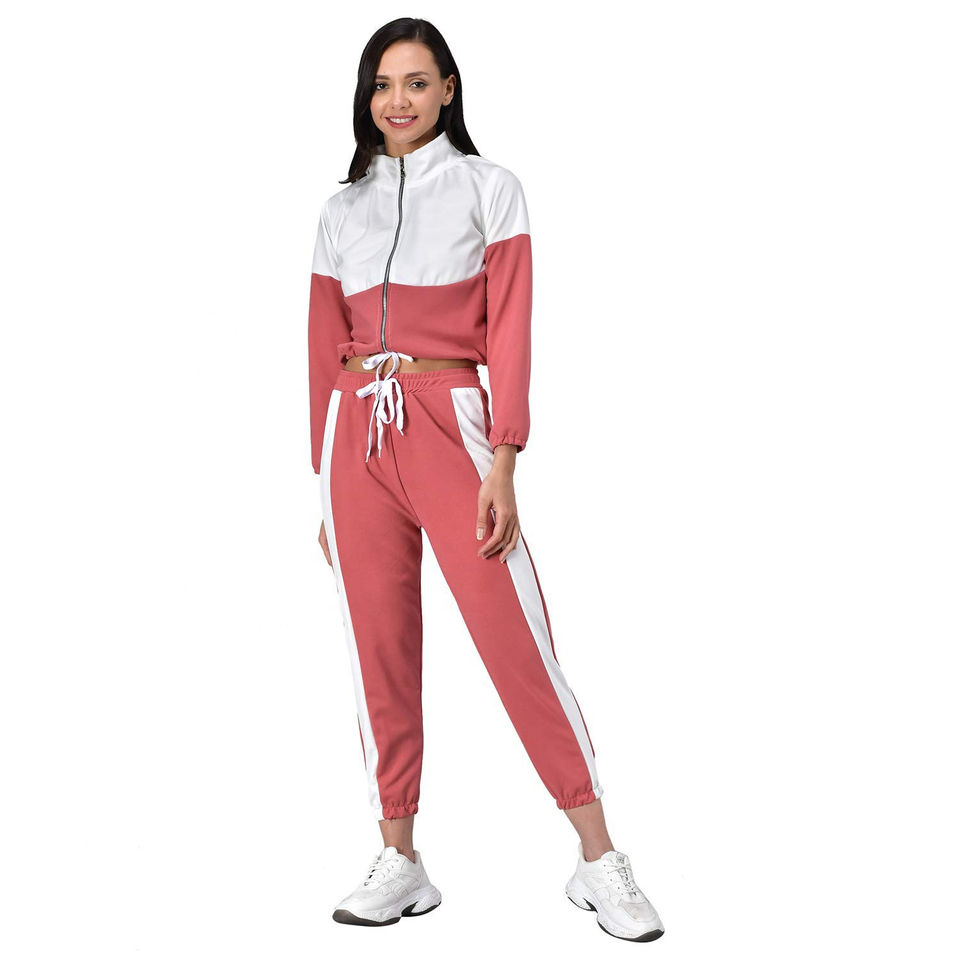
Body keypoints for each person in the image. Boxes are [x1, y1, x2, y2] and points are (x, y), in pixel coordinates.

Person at [307, 18, 665, 942]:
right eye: (383, 84)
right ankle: (400, 857)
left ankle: (597, 857)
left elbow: (510, 328)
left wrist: (504, 455)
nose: (398, 101)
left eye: (416, 82)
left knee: (517, 644)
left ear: (449, 89)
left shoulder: (489, 188)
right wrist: (322, 483)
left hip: (451, 423)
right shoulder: (340, 210)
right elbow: (321, 347)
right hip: (358, 436)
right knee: (378, 653)